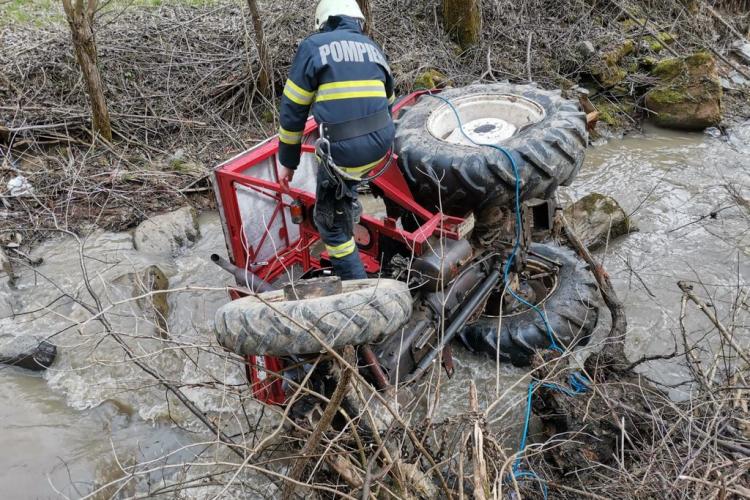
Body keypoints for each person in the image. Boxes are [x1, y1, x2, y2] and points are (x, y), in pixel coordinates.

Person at [277, 0, 395, 280]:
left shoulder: (313, 47)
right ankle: (350, 200)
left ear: (324, 22)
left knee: (328, 224)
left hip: (344, 155)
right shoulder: (372, 48)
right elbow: (389, 103)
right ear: (357, 20)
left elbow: (293, 110)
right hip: (382, 149)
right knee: (348, 183)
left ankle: (359, 287)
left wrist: (287, 161)